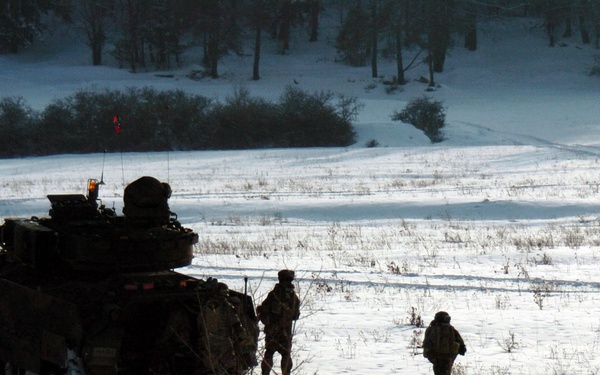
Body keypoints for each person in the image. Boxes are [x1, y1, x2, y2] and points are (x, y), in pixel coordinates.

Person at [257, 269, 300, 375]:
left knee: (270, 353)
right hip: (285, 331)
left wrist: (263, 316)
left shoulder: (274, 294)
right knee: (285, 355)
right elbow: (295, 315)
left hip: (274, 331)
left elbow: (263, 310)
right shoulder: (293, 296)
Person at [423, 311, 466, 375]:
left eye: (448, 318)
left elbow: (458, 338)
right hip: (438, 356)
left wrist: (461, 347)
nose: (448, 320)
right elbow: (427, 343)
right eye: (446, 318)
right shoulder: (434, 328)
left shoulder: (449, 328)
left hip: (447, 356)